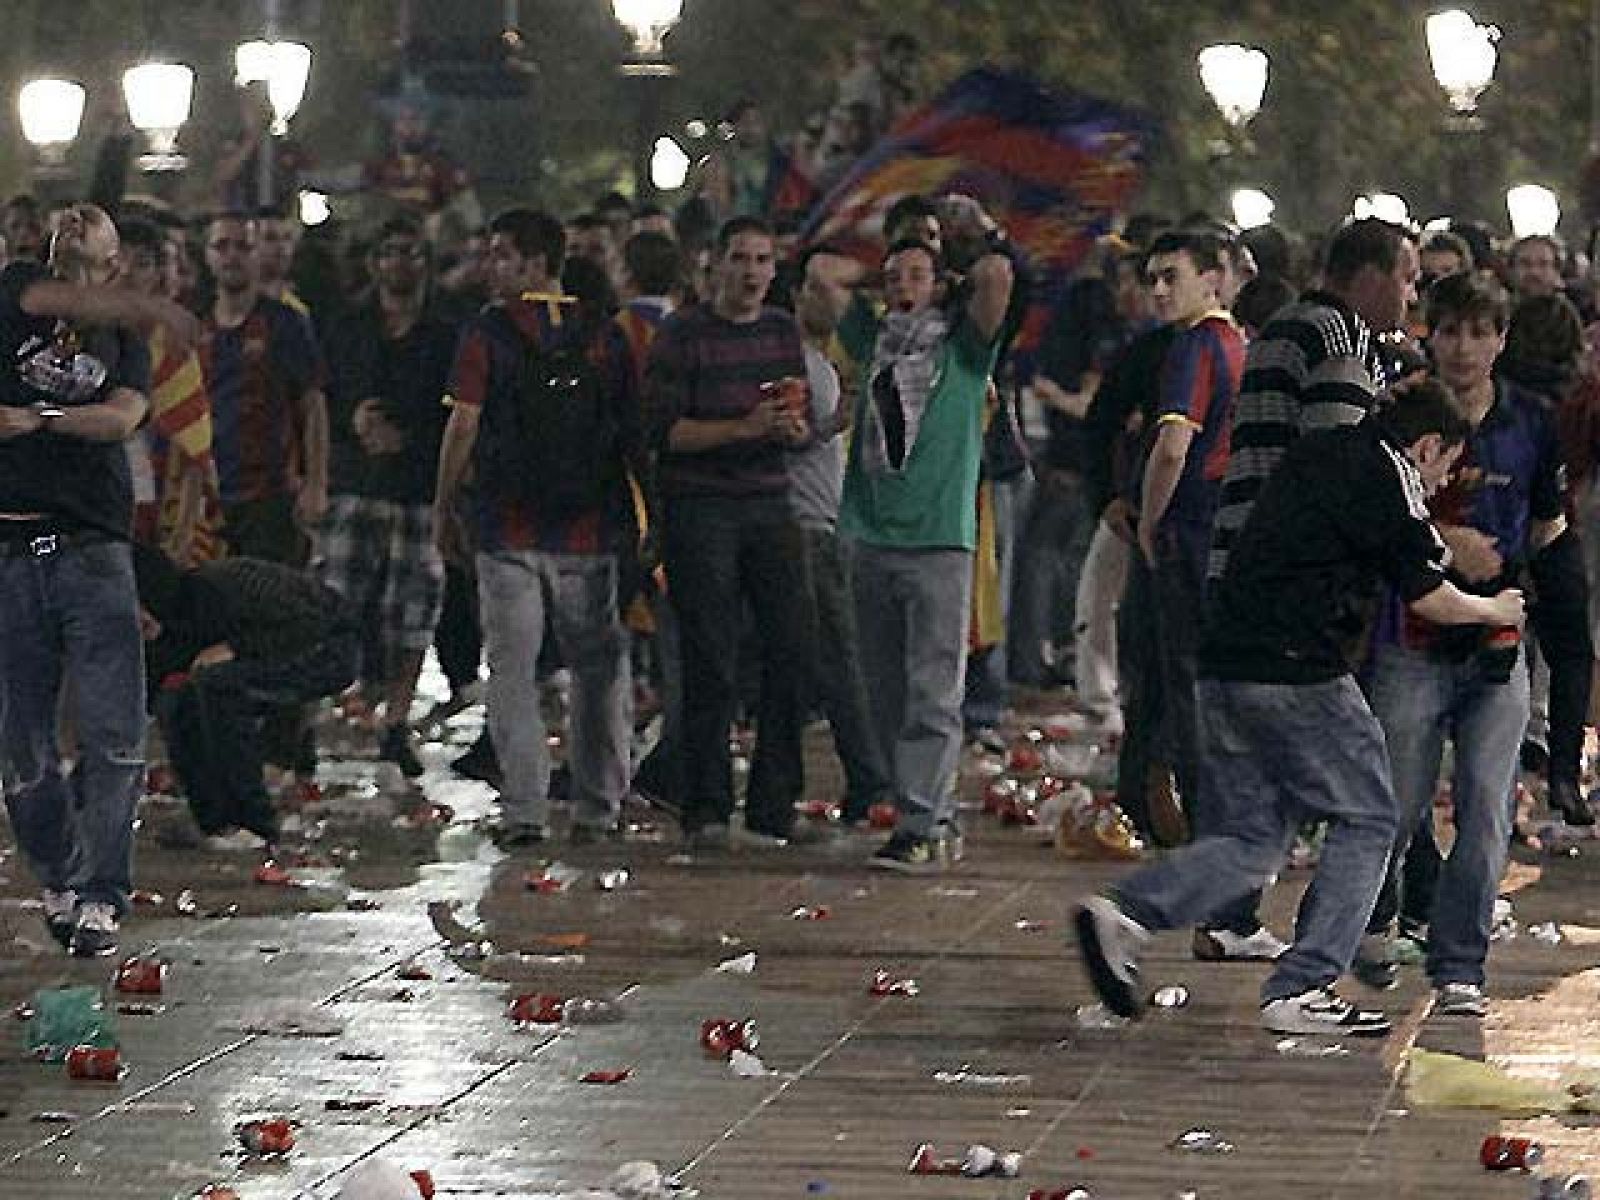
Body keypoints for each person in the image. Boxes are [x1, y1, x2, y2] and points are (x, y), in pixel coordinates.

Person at [1075, 380, 1524, 1037]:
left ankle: (1125, 914)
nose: (1439, 484)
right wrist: (1494, 608)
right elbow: (1429, 594)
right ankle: (1305, 984)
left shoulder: (1321, 450)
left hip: (1225, 664)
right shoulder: (1391, 473)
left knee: (1252, 840)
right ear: (1428, 445)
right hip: (1297, 669)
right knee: (1370, 817)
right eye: (1444, 467)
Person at [1353, 274, 1568, 1014]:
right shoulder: (1398, 412)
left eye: (1480, 332)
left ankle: (1459, 966)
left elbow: (1549, 524)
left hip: (1497, 643)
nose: (1464, 348)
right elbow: (1369, 510)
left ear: (1501, 340)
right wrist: (1445, 540)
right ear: (1430, 334)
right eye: (1450, 331)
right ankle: (1369, 925)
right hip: (1410, 638)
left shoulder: (1530, 421)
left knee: (1486, 808)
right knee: (1395, 805)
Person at [0, 202, 196, 956]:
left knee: (114, 735)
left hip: (93, 551)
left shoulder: (123, 339)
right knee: (24, 747)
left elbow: (121, 417)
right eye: (71, 216)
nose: (78, 215)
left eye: (95, 220)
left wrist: (39, 418)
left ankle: (101, 894)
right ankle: (57, 874)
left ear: (113, 262)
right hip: (13, 550)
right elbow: (44, 297)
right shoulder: (17, 293)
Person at [435, 208, 644, 846]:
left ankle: (525, 810)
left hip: (508, 529)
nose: (490, 267)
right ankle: (600, 806)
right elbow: (631, 429)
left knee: (513, 671)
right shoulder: (606, 333)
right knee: (598, 670)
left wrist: (444, 505)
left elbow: (463, 422)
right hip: (590, 529)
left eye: (501, 255)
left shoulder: (488, 331)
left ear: (536, 263)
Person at [810, 233, 1015, 869]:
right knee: (883, 690)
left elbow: (998, 275)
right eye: (895, 275)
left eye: (917, 275)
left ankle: (920, 822)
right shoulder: (872, 339)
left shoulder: (965, 349)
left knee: (933, 688)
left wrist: (953, 265)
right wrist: (882, 277)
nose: (903, 285)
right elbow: (822, 271)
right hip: (870, 535)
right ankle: (924, 807)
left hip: (939, 540)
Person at [645, 216, 816, 850]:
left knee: (791, 650)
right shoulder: (681, 334)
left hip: (770, 504)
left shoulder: (780, 332)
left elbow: (796, 419)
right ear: (715, 264)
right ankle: (706, 804)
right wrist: (742, 428)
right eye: (740, 258)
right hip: (702, 508)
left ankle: (775, 804)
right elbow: (664, 433)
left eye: (762, 260)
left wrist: (791, 430)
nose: (751, 272)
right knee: (711, 658)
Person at [319, 216, 459, 777]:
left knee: (413, 610)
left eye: (412, 252)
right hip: (355, 482)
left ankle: (396, 719)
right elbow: (322, 396)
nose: (401, 263)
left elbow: (457, 410)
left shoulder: (446, 333)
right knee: (334, 603)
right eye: (391, 251)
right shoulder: (348, 326)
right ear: (374, 262)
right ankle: (310, 713)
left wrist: (412, 439)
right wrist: (352, 422)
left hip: (418, 487)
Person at [135, 547, 357, 845]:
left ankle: (255, 820)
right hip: (275, 652)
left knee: (217, 685)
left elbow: (311, 624)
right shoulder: (167, 634)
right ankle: (216, 822)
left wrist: (236, 648)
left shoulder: (224, 589)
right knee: (176, 701)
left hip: (328, 644)